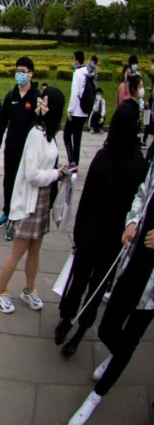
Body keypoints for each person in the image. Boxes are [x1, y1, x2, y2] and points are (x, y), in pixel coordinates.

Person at [65, 157, 154, 425]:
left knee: (130, 340)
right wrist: (132, 221)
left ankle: (96, 396)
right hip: (135, 261)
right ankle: (118, 356)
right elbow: (143, 193)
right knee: (107, 329)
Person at [55, 97, 145, 355]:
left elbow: (87, 199)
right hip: (114, 239)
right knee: (97, 287)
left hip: (92, 232)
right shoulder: (139, 164)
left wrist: (79, 231)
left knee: (80, 278)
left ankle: (66, 320)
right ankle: (81, 330)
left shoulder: (103, 157)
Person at [0, 86, 66, 315]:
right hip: (30, 200)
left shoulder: (49, 134)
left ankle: (29, 289)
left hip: (42, 200)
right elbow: (32, 175)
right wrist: (56, 174)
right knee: (18, 251)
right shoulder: (36, 134)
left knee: (35, 249)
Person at [0, 56, 40, 241]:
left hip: (28, 149)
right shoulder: (11, 96)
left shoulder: (36, 97)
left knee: (22, 184)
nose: (19, 74)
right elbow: (3, 121)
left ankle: (17, 219)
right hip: (11, 146)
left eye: (23, 71)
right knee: (9, 181)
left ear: (31, 74)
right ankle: (7, 212)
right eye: (17, 71)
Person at [65, 50, 96, 166]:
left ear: (77, 60)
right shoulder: (87, 71)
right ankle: (76, 162)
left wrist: (70, 110)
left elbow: (75, 93)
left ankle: (71, 160)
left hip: (76, 111)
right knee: (77, 137)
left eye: (73, 59)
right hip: (84, 111)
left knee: (67, 135)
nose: (72, 61)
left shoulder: (77, 73)